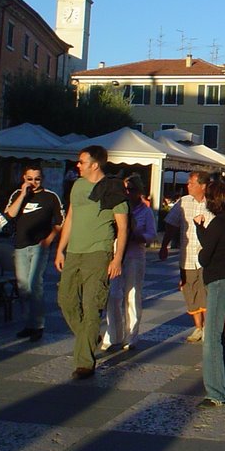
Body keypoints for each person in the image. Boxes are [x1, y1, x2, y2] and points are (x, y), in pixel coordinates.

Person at [55, 146, 128, 379]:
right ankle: (89, 337)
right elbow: (70, 218)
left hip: (98, 252)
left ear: (95, 164)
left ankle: (84, 363)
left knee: (91, 305)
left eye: (82, 162)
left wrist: (117, 258)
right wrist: (60, 249)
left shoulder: (113, 189)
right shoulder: (77, 186)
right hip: (74, 251)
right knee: (65, 299)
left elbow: (123, 228)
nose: (78, 165)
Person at [194, 179, 225, 408]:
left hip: (218, 281)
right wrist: (200, 228)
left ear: (213, 200)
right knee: (218, 336)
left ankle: (215, 392)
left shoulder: (218, 224)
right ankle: (224, 383)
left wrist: (202, 242)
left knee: (211, 337)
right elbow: (216, 243)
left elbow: (205, 256)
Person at [4, 164, 64, 342]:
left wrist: (50, 239)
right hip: (20, 244)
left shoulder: (51, 197)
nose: (33, 182)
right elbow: (10, 214)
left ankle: (38, 325)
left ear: (42, 179)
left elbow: (61, 221)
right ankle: (28, 324)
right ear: (24, 178)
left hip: (40, 246)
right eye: (30, 179)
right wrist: (23, 194)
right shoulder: (17, 194)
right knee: (23, 287)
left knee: (35, 284)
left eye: (37, 179)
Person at [101, 175, 156, 351]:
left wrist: (140, 237)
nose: (127, 193)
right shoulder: (118, 207)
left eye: (131, 189)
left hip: (134, 255)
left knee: (132, 295)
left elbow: (152, 234)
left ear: (139, 191)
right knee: (113, 295)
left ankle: (131, 335)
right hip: (116, 255)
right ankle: (113, 334)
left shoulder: (145, 211)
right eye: (125, 189)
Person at [159, 171, 211, 343]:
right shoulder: (183, 202)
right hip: (187, 256)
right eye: (188, 183)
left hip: (206, 256)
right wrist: (164, 245)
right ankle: (198, 328)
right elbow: (171, 224)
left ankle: (207, 328)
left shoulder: (212, 203)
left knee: (205, 292)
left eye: (191, 183)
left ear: (203, 186)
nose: (187, 186)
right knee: (190, 293)